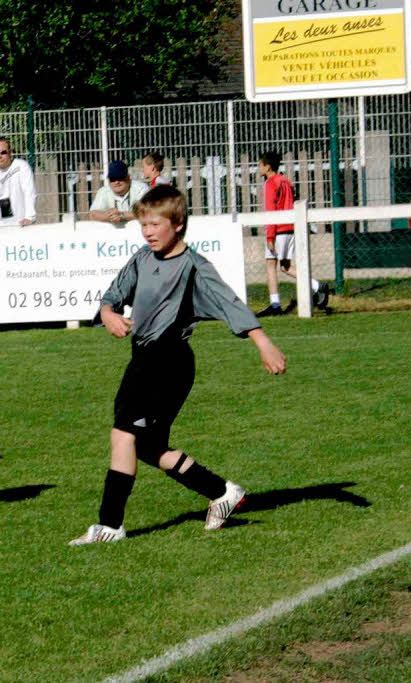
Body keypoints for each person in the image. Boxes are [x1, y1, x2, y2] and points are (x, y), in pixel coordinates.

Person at [69, 184, 287, 545]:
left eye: (156, 225)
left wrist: (263, 343)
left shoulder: (194, 267)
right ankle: (221, 491)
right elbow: (112, 295)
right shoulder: (142, 258)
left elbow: (229, 303)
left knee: (123, 433)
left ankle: (109, 525)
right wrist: (108, 314)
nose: (149, 232)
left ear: (179, 224)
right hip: (142, 360)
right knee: (146, 447)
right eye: (144, 225)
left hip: (168, 361)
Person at [255, 151, 329, 317]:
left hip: (279, 230)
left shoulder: (270, 183)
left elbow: (271, 211)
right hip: (291, 228)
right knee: (286, 266)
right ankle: (317, 286)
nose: (258, 168)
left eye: (260, 165)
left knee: (270, 264)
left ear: (267, 166)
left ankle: (275, 304)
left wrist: (269, 237)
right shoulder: (286, 181)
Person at [88, 160, 148, 228]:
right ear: (108, 180)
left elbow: (147, 212)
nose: (116, 182)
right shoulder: (103, 191)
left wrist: (122, 215)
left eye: (120, 177)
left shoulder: (141, 189)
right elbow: (92, 215)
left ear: (128, 177)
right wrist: (109, 216)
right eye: (113, 179)